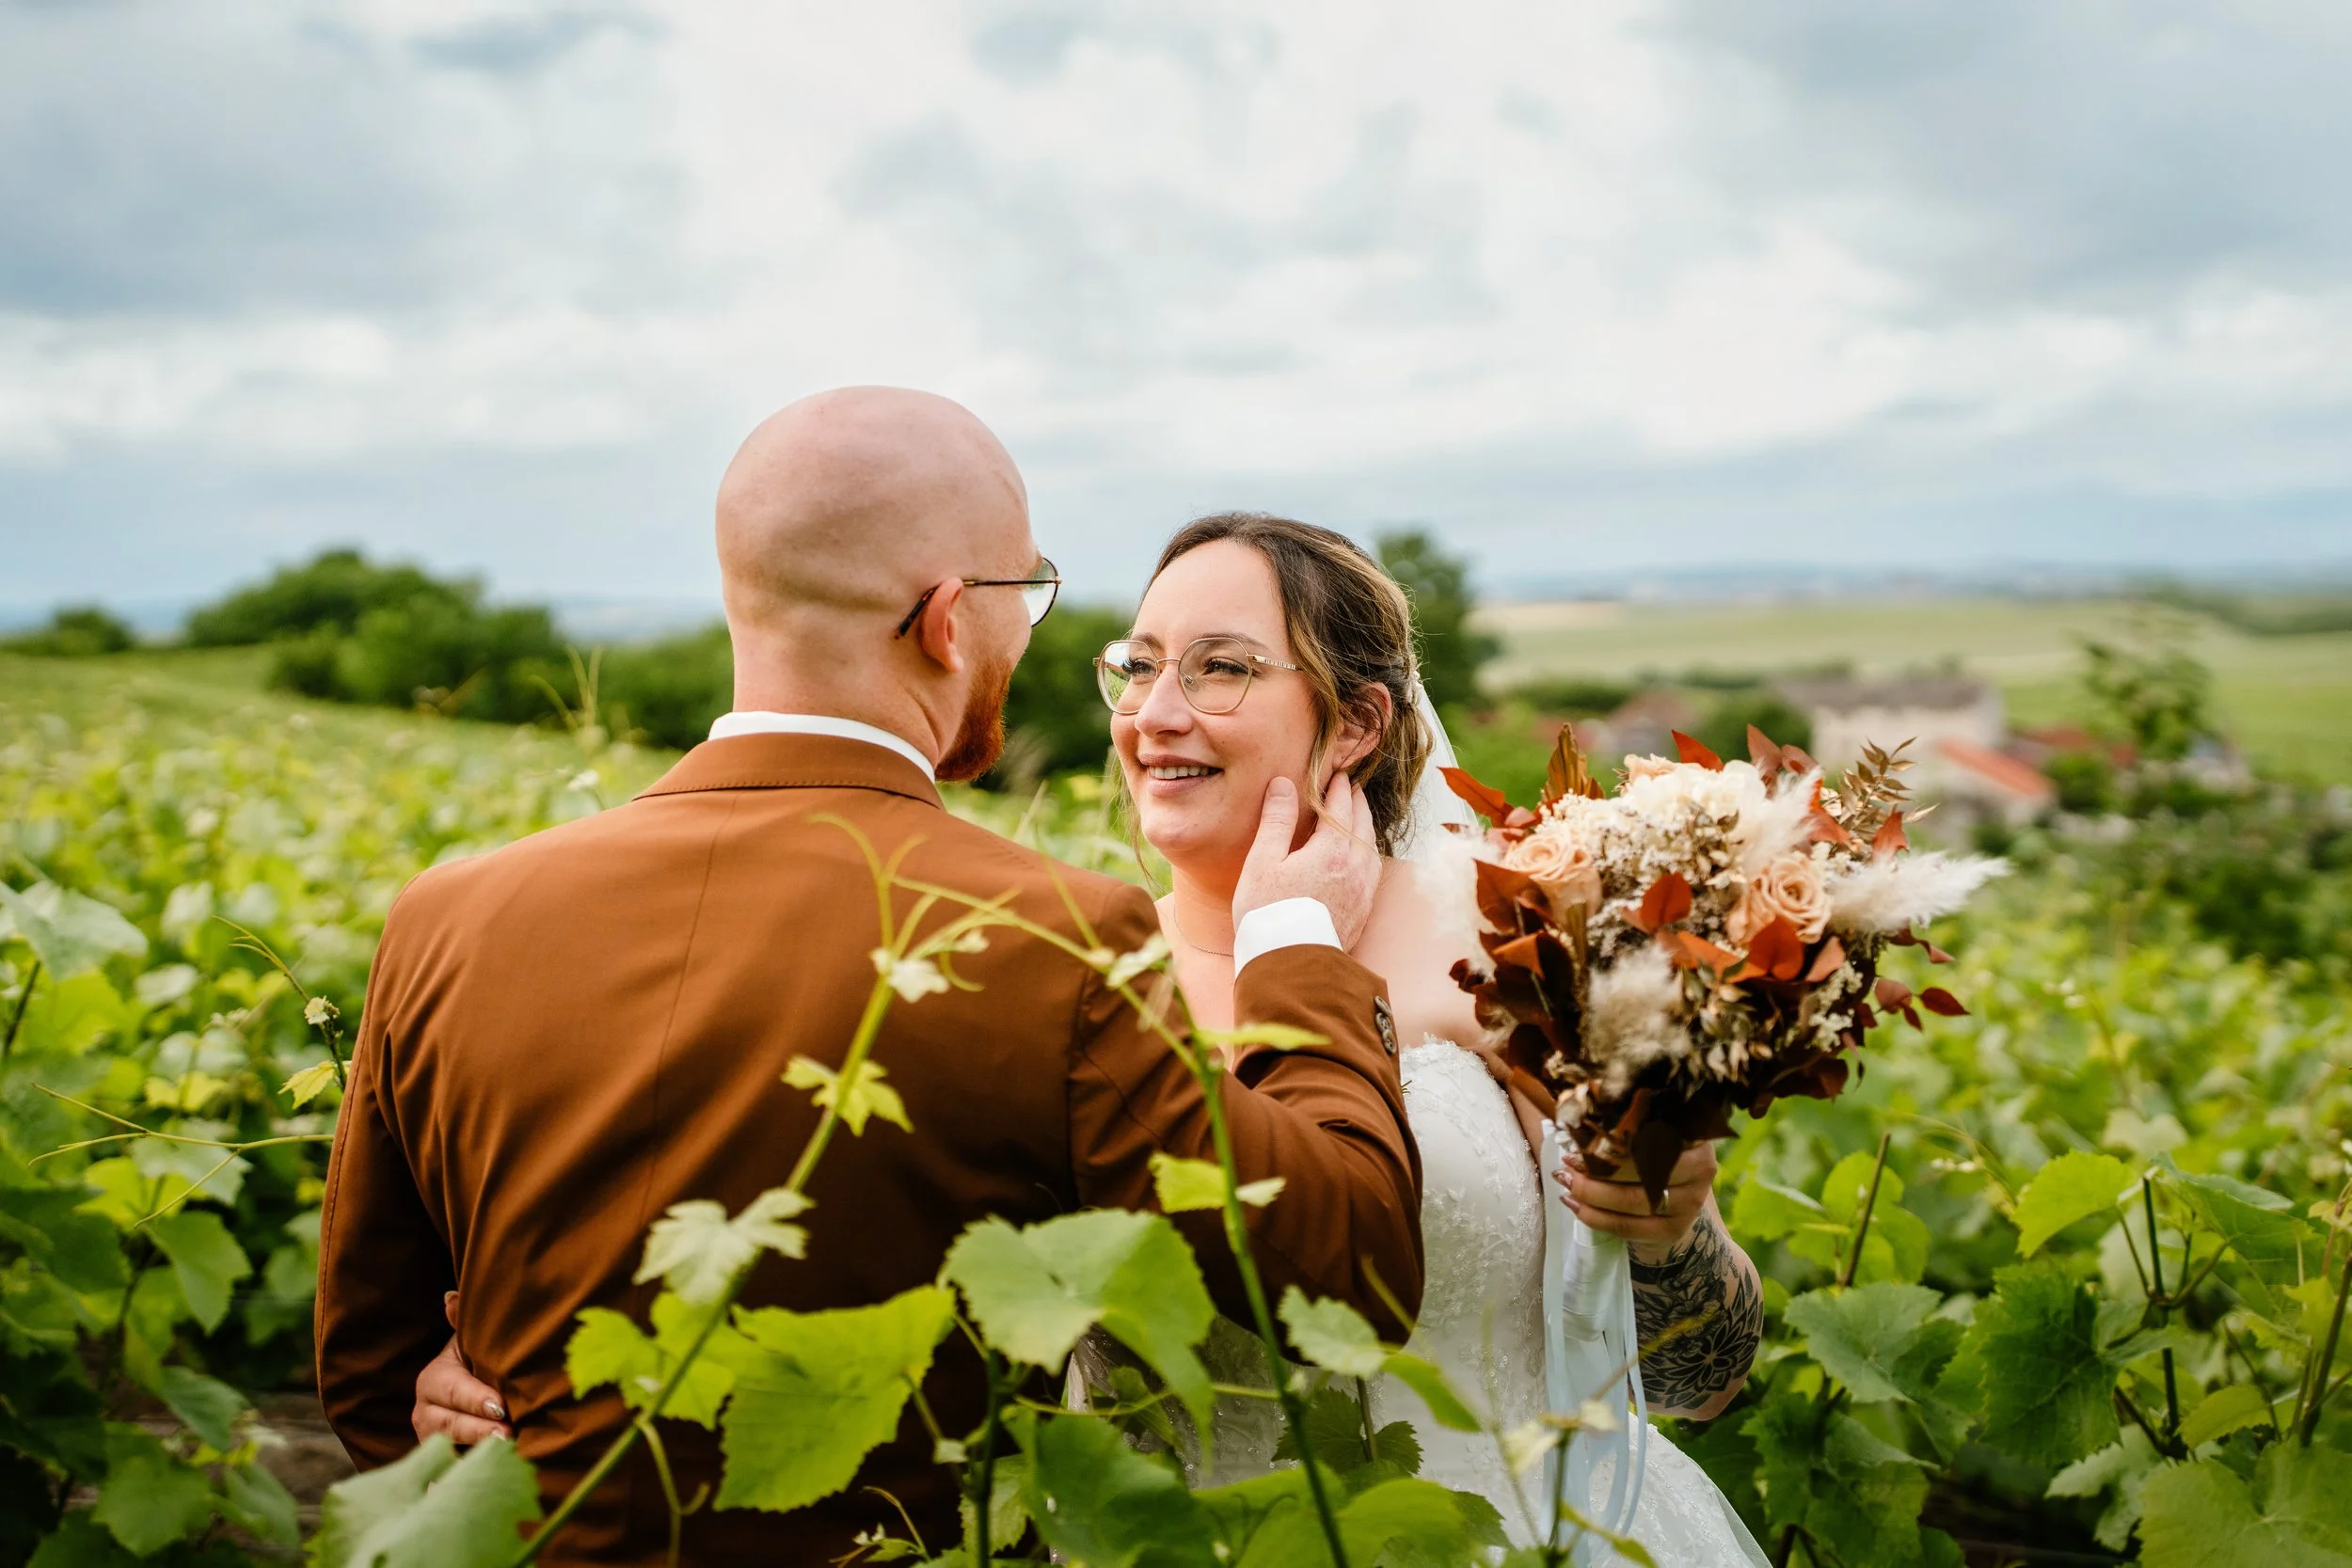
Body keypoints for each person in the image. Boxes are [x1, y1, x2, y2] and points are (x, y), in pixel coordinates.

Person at [316, 393, 1424, 1565]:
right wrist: (1297, 948)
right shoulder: (1047, 930)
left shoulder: (445, 918)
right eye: (1023, 596)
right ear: (948, 620)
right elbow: (1341, 1274)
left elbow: (373, 1370)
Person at [1082, 514, 1770, 1560]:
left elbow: (1696, 1378)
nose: (1152, 713)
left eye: (1218, 667)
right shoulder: (1080, 978)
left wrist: (1671, 1228)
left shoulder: (1509, 955)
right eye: (1136, 667)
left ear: (1356, 720)